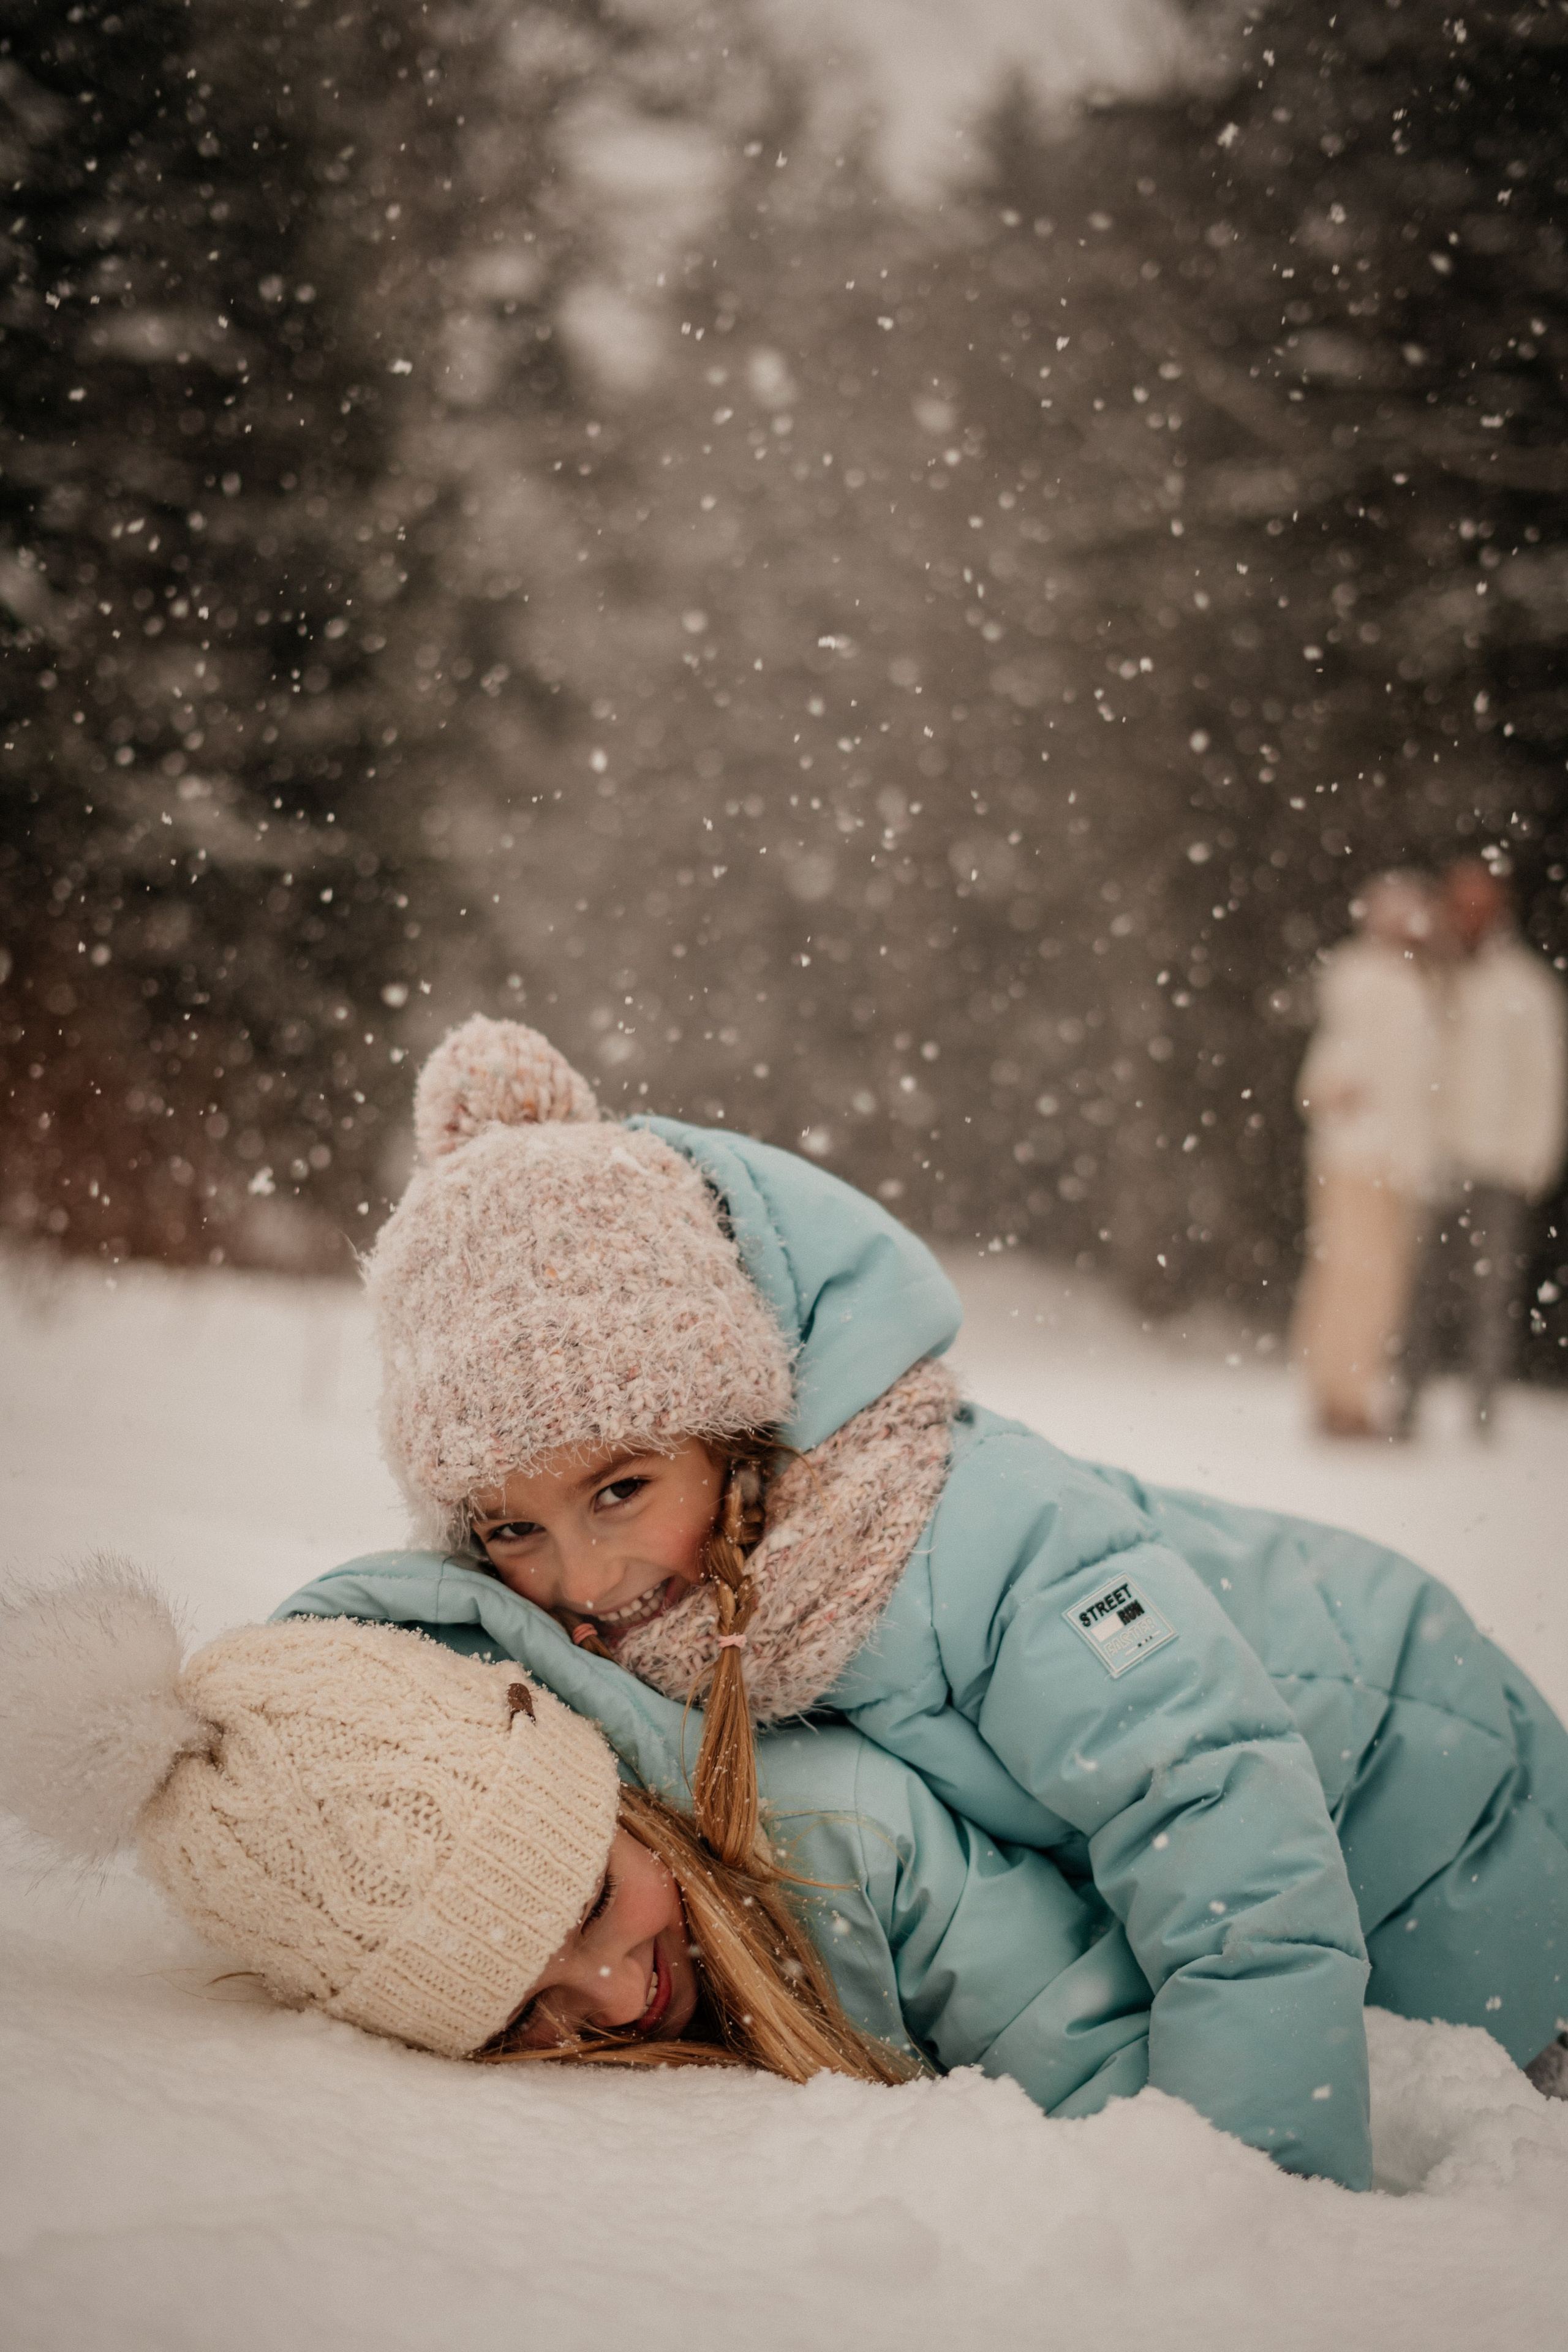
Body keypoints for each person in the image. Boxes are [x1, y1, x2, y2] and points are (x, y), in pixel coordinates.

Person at [274, 1014, 1568, 2192]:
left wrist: (1257, 2186)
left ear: (732, 1425)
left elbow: (1211, 1798)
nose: (582, 1582)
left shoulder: (961, 1531)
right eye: (511, 1528)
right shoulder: (657, 1605)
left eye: (619, 1487)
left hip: (1432, 1802)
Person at [1401, 857, 1568, 1436]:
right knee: (1417, 1290)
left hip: (1498, 1160)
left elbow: (1544, 1078)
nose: (1469, 915)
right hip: (1433, 1158)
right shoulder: (1427, 976)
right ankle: (1407, 1404)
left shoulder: (1525, 986)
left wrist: (1534, 1157)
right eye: (1460, 902)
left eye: (1480, 903)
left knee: (1488, 1295)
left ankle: (1482, 1411)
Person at [1291, 872, 1442, 1438]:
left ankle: (1351, 1392)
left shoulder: (1415, 980)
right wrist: (1336, 1088)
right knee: (1353, 1276)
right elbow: (1336, 1058)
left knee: (1377, 1282)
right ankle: (1339, 1395)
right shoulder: (1362, 975)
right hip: (1357, 1156)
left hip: (1395, 1158)